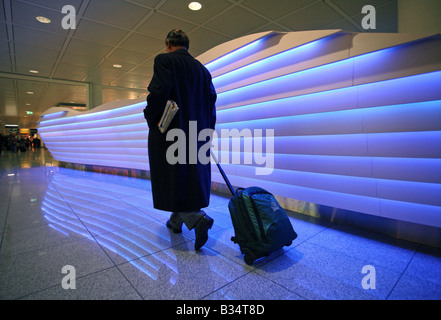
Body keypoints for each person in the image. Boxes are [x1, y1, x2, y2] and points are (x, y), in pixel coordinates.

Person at [143, 29, 217, 250]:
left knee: (173, 176)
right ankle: (176, 221)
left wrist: (151, 118)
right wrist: (208, 131)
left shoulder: (164, 60)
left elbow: (158, 93)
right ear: (187, 45)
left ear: (168, 44)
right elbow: (211, 103)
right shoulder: (203, 71)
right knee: (189, 177)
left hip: (172, 131)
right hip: (198, 133)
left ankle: (196, 218)